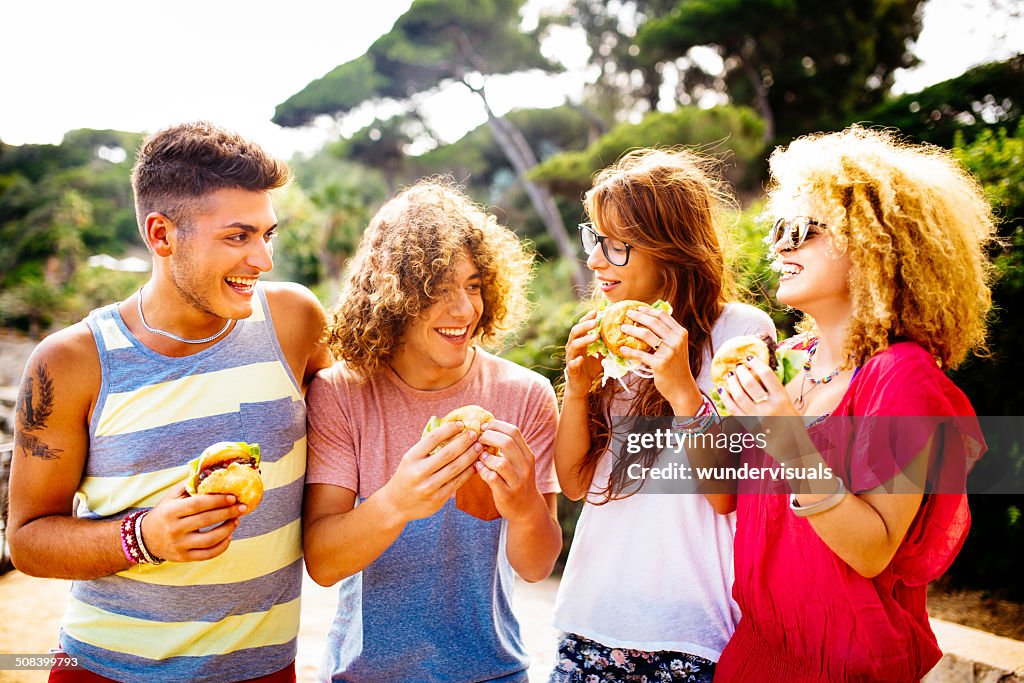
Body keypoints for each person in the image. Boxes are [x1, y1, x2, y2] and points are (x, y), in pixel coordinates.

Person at [8, 121, 331, 682]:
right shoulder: (71, 362)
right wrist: (144, 538)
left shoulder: (296, 322)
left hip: (264, 671)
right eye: (237, 237)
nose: (263, 260)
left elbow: (352, 446)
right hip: (105, 670)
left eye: (267, 234)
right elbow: (29, 541)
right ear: (162, 234)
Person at [713, 126, 993, 681]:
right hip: (756, 653)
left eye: (800, 230)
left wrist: (783, 431)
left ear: (872, 244)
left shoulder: (904, 377)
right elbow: (723, 499)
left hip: (851, 663)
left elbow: (871, 549)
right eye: (778, 229)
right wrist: (691, 396)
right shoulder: (788, 359)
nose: (780, 245)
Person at [302, 178, 562, 682]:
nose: (464, 310)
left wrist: (524, 502)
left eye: (472, 286)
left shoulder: (524, 394)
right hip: (363, 675)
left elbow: (536, 566)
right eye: (438, 290)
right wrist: (398, 500)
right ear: (394, 296)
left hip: (493, 673)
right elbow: (323, 562)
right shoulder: (341, 393)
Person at [550, 148, 775, 682]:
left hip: (691, 634)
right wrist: (578, 391)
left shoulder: (741, 332)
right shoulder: (609, 335)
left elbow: (726, 496)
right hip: (589, 620)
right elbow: (575, 482)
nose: (595, 261)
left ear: (670, 249)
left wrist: (680, 390)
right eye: (593, 239)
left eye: (616, 247)